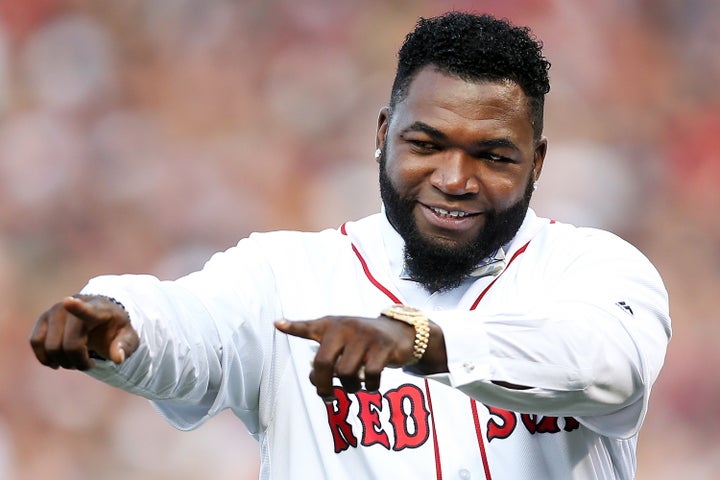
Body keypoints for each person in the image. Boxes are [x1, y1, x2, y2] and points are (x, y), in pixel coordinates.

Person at [29, 11, 671, 480]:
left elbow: (608, 365)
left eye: (493, 155)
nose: (454, 178)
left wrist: (424, 343)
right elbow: (190, 329)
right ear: (385, 134)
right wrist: (122, 321)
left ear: (536, 162)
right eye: (427, 144)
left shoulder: (596, 270)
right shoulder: (289, 274)